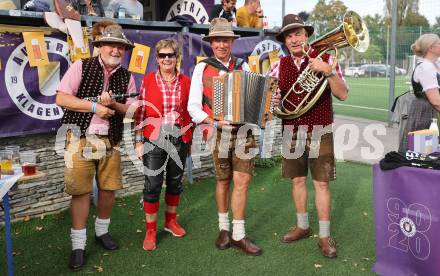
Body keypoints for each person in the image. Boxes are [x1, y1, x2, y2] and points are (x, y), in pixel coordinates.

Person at [56, 24, 136, 271]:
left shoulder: (127, 75)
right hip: (79, 138)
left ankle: (102, 233)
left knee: (109, 189)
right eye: (111, 44)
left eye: (121, 46)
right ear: (100, 46)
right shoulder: (81, 65)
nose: (116, 49)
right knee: (80, 192)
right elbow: (61, 98)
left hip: (110, 139)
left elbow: (132, 109)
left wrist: (114, 103)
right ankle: (78, 246)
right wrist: (94, 107)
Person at [270, 14, 348, 258]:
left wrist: (328, 72)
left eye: (298, 34)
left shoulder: (326, 58)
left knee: (322, 183)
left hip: (320, 129)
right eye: (289, 36)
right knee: (297, 181)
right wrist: (272, 98)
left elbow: (343, 94)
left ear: (307, 36)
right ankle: (303, 226)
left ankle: (324, 236)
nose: (294, 39)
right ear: (285, 40)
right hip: (291, 130)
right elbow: (272, 97)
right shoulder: (278, 64)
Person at [188, 17, 262, 256]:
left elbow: (255, 99)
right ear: (211, 42)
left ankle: (239, 234)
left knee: (242, 182)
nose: (221, 44)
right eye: (217, 40)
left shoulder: (244, 65)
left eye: (226, 40)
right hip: (219, 132)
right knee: (222, 180)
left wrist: (265, 104)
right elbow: (193, 107)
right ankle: (223, 229)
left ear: (232, 42)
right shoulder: (202, 67)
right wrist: (215, 121)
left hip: (244, 132)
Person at [134, 39, 193, 251]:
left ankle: (170, 221)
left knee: (175, 182)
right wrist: (138, 141)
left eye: (171, 55)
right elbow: (140, 112)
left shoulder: (186, 81)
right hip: (154, 137)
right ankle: (151, 230)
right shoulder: (148, 80)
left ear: (176, 58)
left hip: (179, 137)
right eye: (162, 55)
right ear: (157, 59)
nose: (166, 59)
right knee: (152, 184)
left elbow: (191, 112)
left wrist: (190, 139)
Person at [403, 33, 440, 150]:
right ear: (431, 48)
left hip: (432, 111)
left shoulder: (435, 65)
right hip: (426, 113)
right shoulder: (426, 67)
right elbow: (435, 101)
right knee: (424, 154)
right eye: (439, 43)